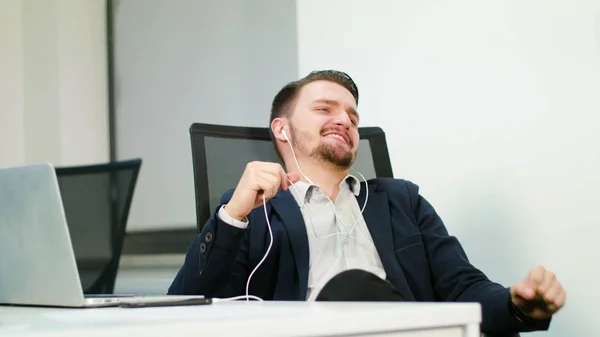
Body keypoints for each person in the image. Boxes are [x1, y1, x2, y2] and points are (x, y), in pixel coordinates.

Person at [168, 70, 566, 336]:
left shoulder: (401, 200)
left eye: (353, 117)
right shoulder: (254, 211)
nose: (344, 120)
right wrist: (233, 215)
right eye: (325, 108)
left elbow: (463, 288)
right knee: (350, 289)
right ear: (282, 128)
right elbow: (186, 310)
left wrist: (517, 305)